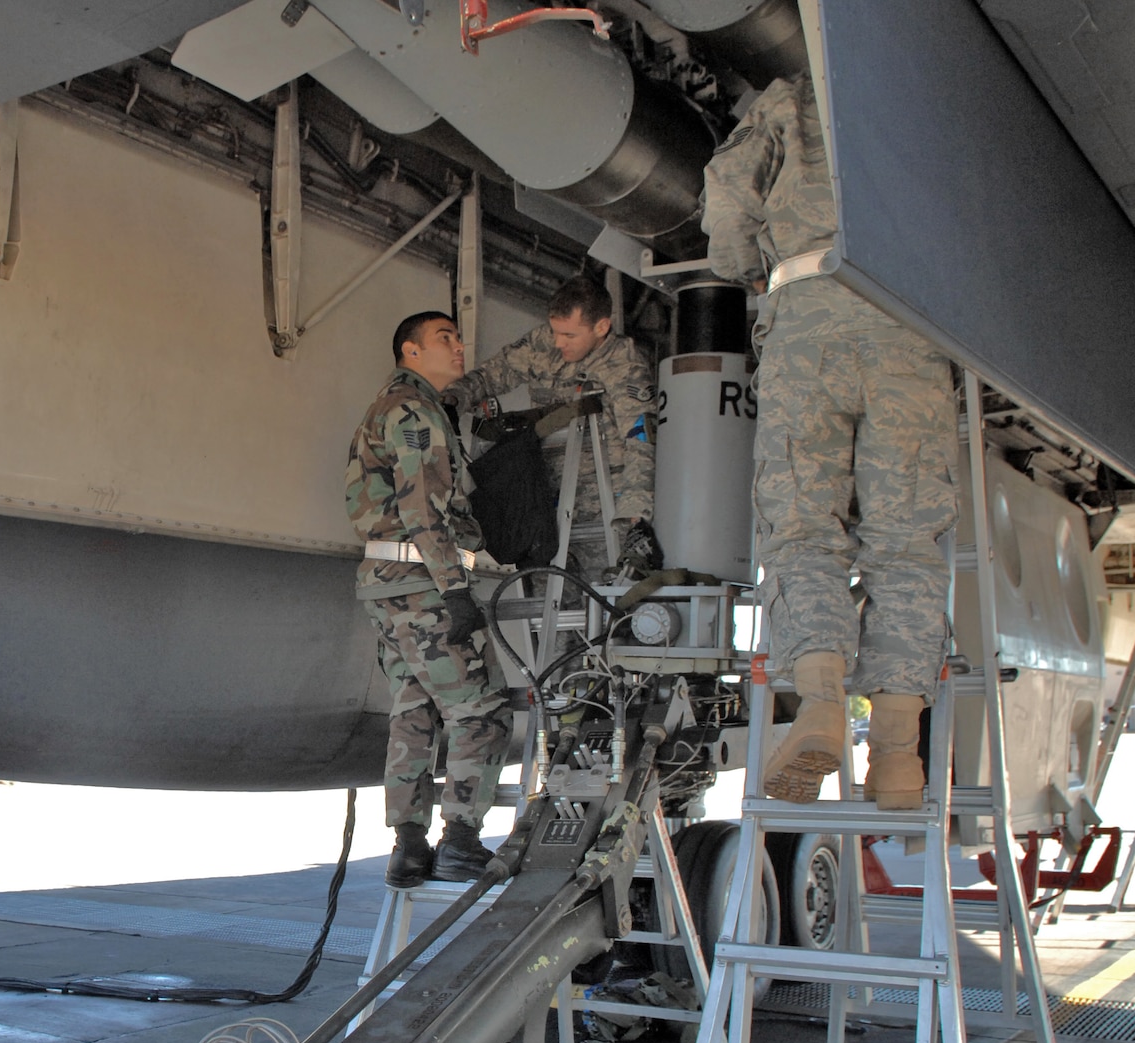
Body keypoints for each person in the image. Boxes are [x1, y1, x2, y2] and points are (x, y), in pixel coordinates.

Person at [703, 72, 959, 808]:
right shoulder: (934, 91)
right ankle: (899, 754)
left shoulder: (797, 95)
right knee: (907, 541)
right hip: (909, 318)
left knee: (802, 527)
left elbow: (727, 190)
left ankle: (819, 703)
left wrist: (742, 265)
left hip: (808, 314)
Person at [347, 311, 514, 888]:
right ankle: (462, 839)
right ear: (410, 352)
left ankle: (409, 847)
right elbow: (423, 509)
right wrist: (456, 588)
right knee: (482, 708)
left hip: (391, 586)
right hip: (423, 586)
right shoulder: (414, 412)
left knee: (414, 711)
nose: (459, 346)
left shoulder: (398, 407)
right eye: (445, 338)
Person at [445, 273, 658, 573]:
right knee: (547, 599)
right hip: (542, 501)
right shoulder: (541, 344)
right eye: (555, 331)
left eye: (569, 335)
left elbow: (640, 441)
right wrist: (454, 399)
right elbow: (491, 375)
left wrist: (635, 517)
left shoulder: (625, 366)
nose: (558, 343)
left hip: (600, 508)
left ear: (602, 327)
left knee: (599, 601)